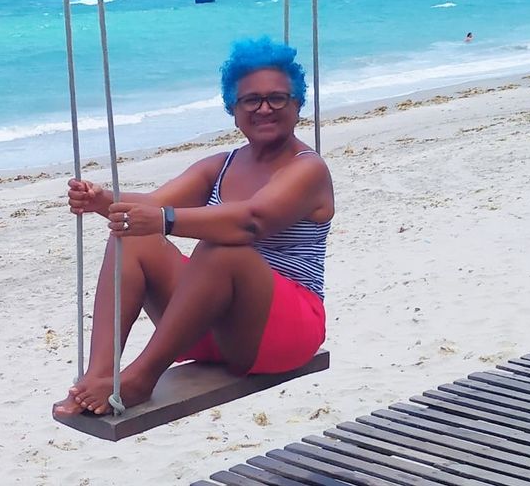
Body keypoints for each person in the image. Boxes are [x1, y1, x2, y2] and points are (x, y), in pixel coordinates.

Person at [54, 36, 335, 416]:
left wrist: (164, 220)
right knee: (134, 239)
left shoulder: (308, 169)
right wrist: (101, 201)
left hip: (283, 331)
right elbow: (153, 206)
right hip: (211, 328)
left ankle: (140, 378)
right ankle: (97, 376)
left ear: (297, 104)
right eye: (251, 100)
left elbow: (251, 222)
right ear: (233, 109)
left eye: (277, 98)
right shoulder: (221, 165)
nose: (264, 108)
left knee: (222, 249)